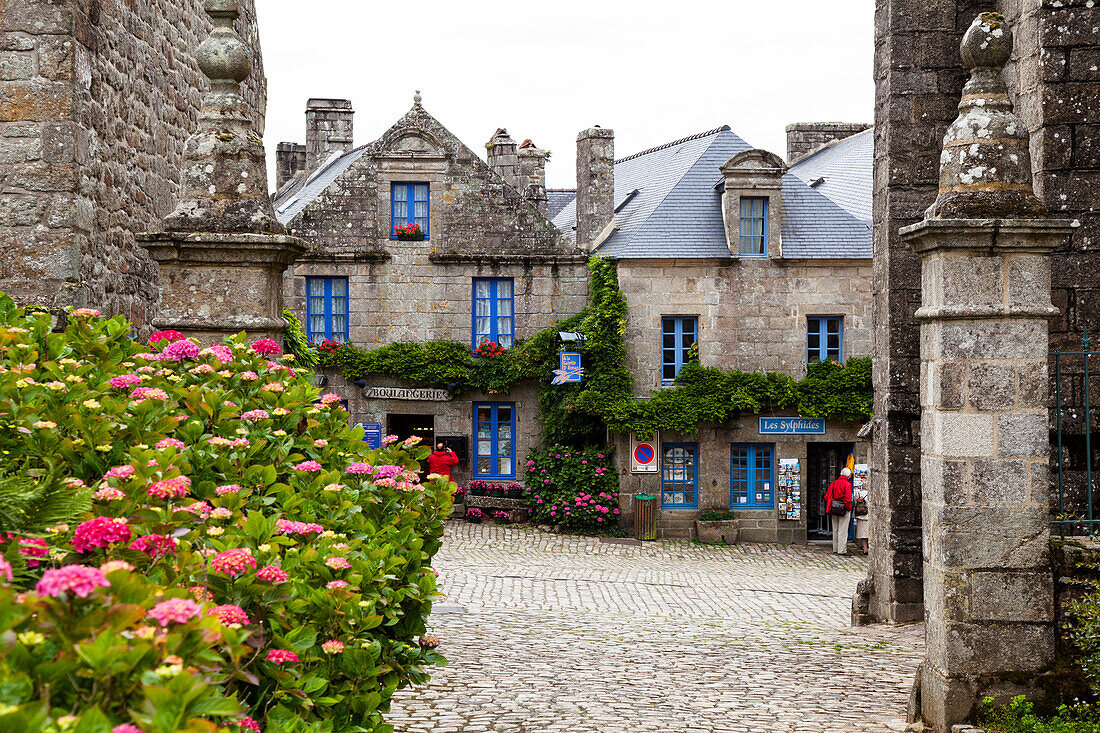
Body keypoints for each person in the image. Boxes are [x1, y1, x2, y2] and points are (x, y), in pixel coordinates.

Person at [824, 467, 853, 555]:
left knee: (835, 529)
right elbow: (848, 498)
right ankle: (842, 550)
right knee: (843, 529)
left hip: (834, 507)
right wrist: (849, 508)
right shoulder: (847, 484)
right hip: (843, 507)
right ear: (848, 475)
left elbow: (827, 496)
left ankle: (835, 548)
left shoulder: (834, 483)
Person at [853, 478, 869, 555]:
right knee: (869, 533)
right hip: (868, 516)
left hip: (860, 516)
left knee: (863, 534)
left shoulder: (858, 494)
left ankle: (865, 548)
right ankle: (869, 548)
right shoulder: (870, 494)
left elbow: (855, 502)